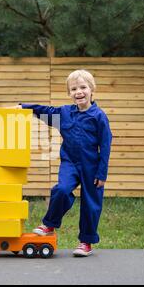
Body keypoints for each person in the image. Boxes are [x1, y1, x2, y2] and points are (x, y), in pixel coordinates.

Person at [14, 69, 112, 257]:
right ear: (69, 93)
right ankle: (49, 224)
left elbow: (106, 145)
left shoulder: (99, 116)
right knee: (61, 189)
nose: (79, 92)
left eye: (83, 87)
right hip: (70, 162)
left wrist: (102, 173)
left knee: (91, 204)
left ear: (92, 90)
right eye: (74, 89)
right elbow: (46, 111)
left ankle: (86, 242)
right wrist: (25, 107)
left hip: (92, 166)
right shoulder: (65, 113)